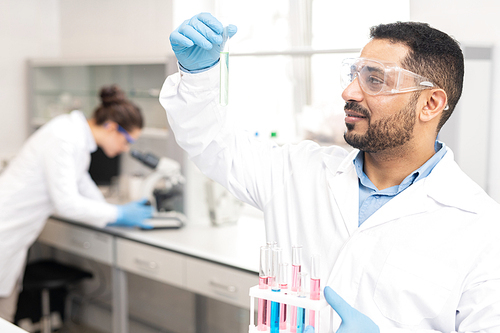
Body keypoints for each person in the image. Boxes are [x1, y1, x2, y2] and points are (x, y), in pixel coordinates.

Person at [162, 13, 500, 333]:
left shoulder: (482, 229)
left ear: (430, 104)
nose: (350, 92)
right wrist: (198, 75)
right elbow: (211, 144)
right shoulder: (296, 172)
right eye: (355, 75)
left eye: (375, 80)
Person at [0, 85, 153, 322]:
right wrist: (117, 213)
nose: (127, 148)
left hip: (12, 240)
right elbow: (67, 204)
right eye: (128, 140)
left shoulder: (76, 138)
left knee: (6, 312)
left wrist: (113, 210)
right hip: (5, 232)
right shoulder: (64, 137)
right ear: (112, 127)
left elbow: (82, 183)